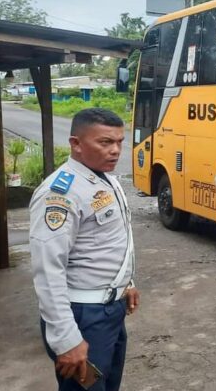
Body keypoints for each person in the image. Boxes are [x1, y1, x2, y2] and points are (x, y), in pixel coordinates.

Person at [29, 108, 139, 391]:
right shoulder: (60, 193)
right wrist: (66, 338)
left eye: (119, 142)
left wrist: (126, 282)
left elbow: (107, 243)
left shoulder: (106, 179)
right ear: (76, 143)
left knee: (107, 385)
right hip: (83, 316)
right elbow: (48, 270)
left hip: (110, 310)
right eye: (105, 143)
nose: (115, 151)